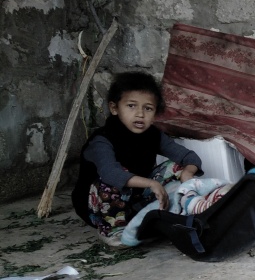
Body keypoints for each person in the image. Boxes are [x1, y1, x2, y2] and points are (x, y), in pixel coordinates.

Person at [72, 72, 203, 245]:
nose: (140, 114)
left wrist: (188, 172)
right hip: (99, 207)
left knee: (176, 167)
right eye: (131, 106)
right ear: (114, 108)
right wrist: (152, 184)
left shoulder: (153, 135)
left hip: (134, 198)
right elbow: (111, 173)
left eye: (148, 108)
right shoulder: (102, 140)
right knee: (109, 181)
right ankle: (112, 231)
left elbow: (189, 156)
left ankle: (181, 210)